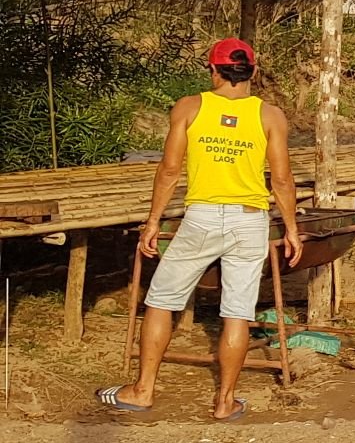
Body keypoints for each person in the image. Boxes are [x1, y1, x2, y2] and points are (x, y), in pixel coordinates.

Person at [97, 39, 303, 421]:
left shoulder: (189, 108)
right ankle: (225, 402)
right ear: (253, 72)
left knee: (161, 301)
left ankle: (143, 391)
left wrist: (153, 221)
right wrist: (291, 228)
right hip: (250, 220)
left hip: (202, 217)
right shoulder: (271, 116)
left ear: (212, 71)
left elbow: (170, 170)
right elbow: (282, 179)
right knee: (237, 312)